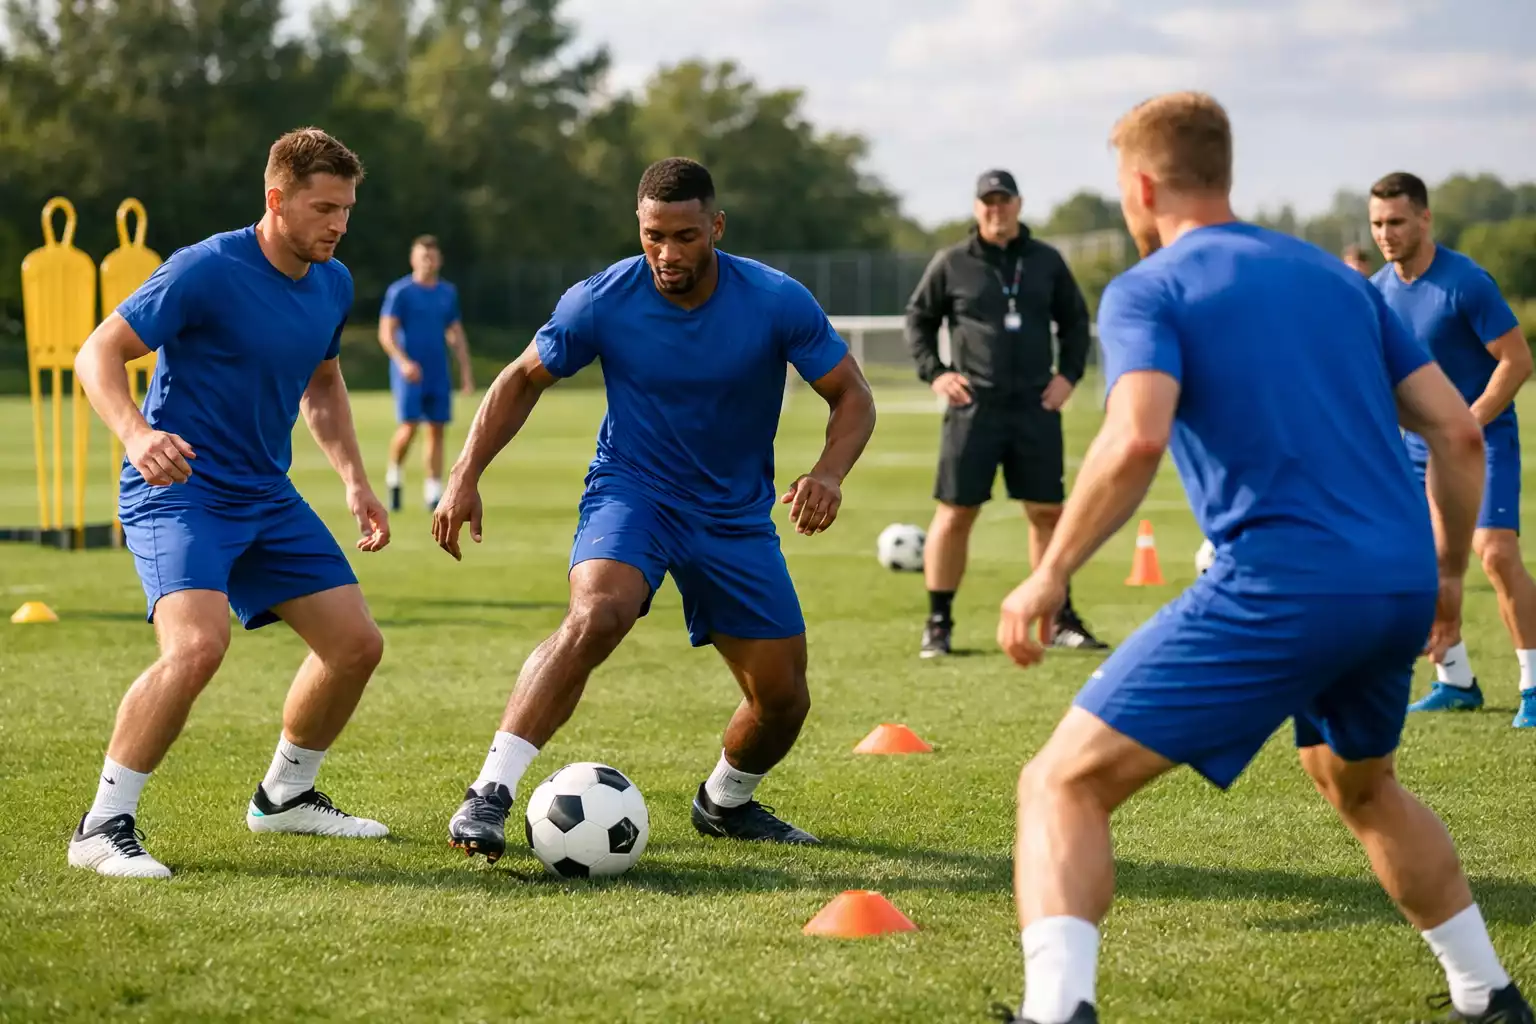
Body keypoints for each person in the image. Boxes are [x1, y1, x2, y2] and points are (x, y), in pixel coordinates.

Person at [991, 93, 1530, 1024]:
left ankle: (1056, 1012)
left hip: (1283, 585)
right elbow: (1458, 432)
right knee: (1358, 783)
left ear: (1144, 184)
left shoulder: (1150, 287)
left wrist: (1050, 571)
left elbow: (1132, 441)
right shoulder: (1343, 281)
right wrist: (1445, 576)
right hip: (1398, 581)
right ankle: (1489, 994)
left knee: (1061, 783)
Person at [432, 158, 876, 862]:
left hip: (733, 515)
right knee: (597, 612)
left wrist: (828, 472)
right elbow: (521, 378)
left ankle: (724, 804)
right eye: (653, 236)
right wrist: (464, 474)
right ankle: (489, 792)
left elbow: (852, 394)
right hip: (633, 492)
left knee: (783, 700)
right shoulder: (602, 299)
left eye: (686, 236)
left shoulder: (774, 299)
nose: (668, 254)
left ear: (716, 227)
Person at [67, 128, 393, 880]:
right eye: (323, 208)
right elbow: (99, 352)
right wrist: (136, 431)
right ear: (276, 200)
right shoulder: (206, 269)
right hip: (178, 492)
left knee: (355, 646)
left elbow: (322, 385)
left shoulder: (333, 282)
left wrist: (353, 478)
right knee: (197, 647)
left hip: (265, 494)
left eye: (346, 209)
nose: (338, 224)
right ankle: (102, 824)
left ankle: (285, 797)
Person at [906, 169, 1106, 658]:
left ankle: (1056, 617)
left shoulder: (1045, 261)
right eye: (987, 202)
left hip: (1036, 406)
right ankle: (939, 622)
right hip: (974, 408)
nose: (996, 209)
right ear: (977, 209)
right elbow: (919, 318)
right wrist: (936, 372)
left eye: (1004, 200)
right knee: (956, 514)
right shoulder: (952, 262)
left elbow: (1076, 322)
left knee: (1047, 513)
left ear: (1019, 204)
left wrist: (1069, 375)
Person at [1367, 172, 1536, 726]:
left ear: (1424, 218)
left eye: (1395, 221)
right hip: (1415, 451)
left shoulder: (1466, 282)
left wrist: (1467, 421)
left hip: (1483, 441)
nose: (1386, 234)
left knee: (1494, 552)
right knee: (1425, 563)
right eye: (1376, 224)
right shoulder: (1378, 293)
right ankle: (1456, 678)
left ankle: (1533, 685)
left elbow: (1516, 361)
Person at [379, 234, 474, 512]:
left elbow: (455, 333)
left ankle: (433, 493)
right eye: (422, 256)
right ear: (413, 259)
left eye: (432, 256)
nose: (428, 261)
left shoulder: (447, 293)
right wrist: (403, 361)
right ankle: (394, 475)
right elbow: (387, 333)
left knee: (437, 429)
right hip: (410, 373)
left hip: (437, 371)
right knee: (408, 427)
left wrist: (465, 371)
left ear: (439, 259)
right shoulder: (401, 292)